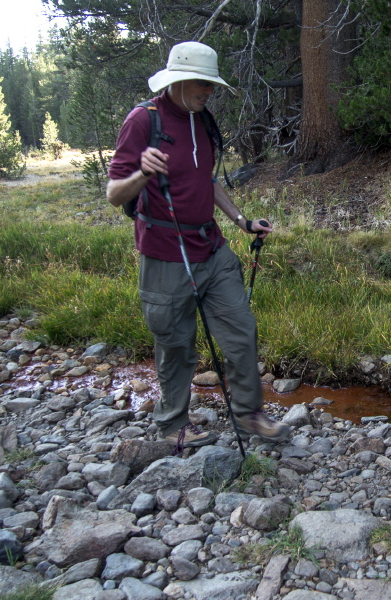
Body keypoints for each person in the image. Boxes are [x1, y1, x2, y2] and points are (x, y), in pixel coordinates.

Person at [107, 41, 288, 450]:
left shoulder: (203, 119)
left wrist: (242, 222)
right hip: (165, 255)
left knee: (241, 331)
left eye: (212, 85)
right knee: (176, 345)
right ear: (179, 81)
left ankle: (249, 413)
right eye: (203, 84)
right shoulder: (143, 120)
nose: (209, 92)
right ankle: (173, 423)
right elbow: (115, 194)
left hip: (211, 247)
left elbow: (207, 180)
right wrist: (142, 173)